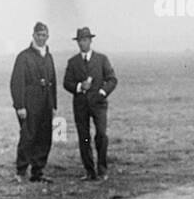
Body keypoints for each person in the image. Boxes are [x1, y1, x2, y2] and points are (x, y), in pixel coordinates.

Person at [63, 26, 118, 181]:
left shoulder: (101, 59)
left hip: (99, 104)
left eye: (85, 40)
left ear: (90, 41)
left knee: (101, 135)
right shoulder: (73, 62)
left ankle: (102, 169)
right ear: (77, 42)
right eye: (80, 40)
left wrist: (102, 92)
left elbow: (112, 79)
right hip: (80, 105)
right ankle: (89, 171)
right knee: (84, 137)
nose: (82, 43)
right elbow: (66, 83)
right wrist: (80, 87)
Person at [10, 21, 57, 183]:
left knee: (44, 138)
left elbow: (53, 81)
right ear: (33, 35)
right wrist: (20, 105)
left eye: (44, 35)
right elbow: (17, 82)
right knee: (28, 136)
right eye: (39, 35)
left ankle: (38, 172)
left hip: (46, 104)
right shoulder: (24, 57)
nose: (42, 38)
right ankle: (21, 171)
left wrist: (53, 105)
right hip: (29, 104)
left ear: (48, 37)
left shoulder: (49, 56)